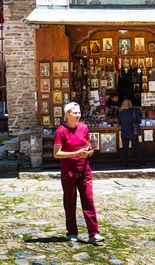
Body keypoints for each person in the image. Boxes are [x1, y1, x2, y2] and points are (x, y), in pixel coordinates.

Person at [53, 102, 105, 243]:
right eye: (74, 113)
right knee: (70, 201)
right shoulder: (61, 131)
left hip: (84, 168)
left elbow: (90, 145)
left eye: (79, 113)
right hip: (69, 169)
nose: (77, 115)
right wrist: (75, 153)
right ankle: (72, 232)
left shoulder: (84, 128)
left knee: (88, 200)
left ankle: (93, 233)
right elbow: (56, 153)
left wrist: (89, 152)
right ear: (66, 114)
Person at [117, 99, 146, 168]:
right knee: (137, 148)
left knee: (125, 149)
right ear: (130, 104)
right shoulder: (134, 111)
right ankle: (142, 163)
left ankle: (124, 165)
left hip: (124, 133)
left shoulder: (121, 113)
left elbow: (119, 123)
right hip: (133, 132)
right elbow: (139, 121)